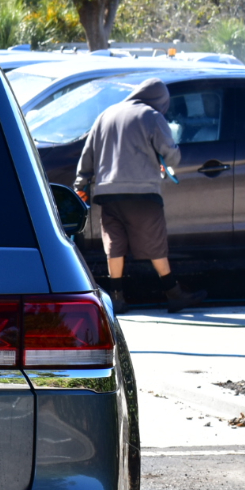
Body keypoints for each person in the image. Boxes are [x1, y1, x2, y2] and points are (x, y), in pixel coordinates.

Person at [74, 78, 207, 314]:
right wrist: (169, 159)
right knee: (154, 242)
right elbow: (171, 154)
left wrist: (81, 184)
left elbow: (88, 155)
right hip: (142, 193)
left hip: (108, 193)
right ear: (159, 100)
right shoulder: (152, 116)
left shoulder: (106, 115)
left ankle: (117, 298)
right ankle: (173, 293)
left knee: (114, 244)